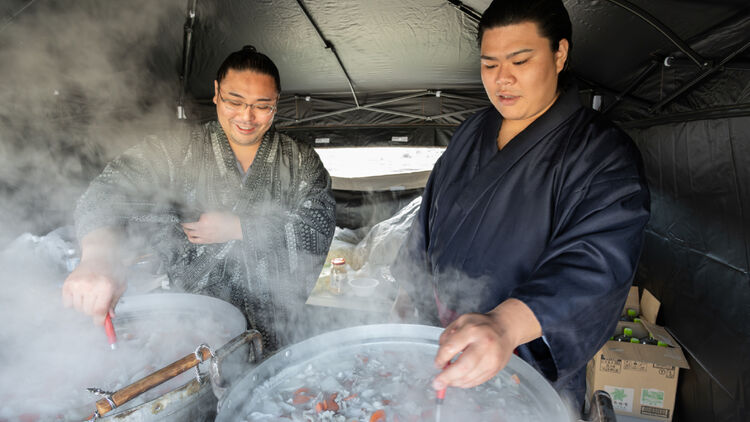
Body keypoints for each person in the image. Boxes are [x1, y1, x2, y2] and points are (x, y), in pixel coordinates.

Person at [392, 0, 650, 411]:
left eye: (520, 60)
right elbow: (430, 214)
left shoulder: (602, 152)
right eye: (490, 64)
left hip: (522, 366)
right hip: (443, 347)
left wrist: (503, 325)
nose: (502, 79)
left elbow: (597, 262)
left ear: (559, 54)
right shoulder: (473, 130)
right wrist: (409, 286)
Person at [62, 46, 336, 350]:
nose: (247, 116)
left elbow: (319, 223)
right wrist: (98, 257)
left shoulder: (300, 160)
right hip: (196, 329)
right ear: (217, 92)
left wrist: (240, 227)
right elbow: (108, 190)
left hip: (277, 329)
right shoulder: (176, 149)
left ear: (276, 103)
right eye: (235, 101)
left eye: (262, 105)